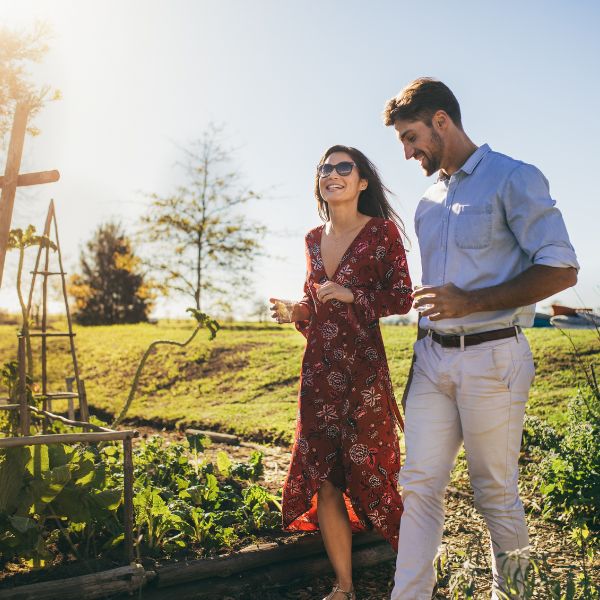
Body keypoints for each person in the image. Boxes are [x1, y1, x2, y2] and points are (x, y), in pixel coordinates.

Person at [383, 78, 579, 599]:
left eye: (411, 137)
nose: (407, 152)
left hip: (494, 357)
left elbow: (561, 269)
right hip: (431, 361)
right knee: (419, 485)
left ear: (441, 120)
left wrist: (470, 302)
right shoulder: (427, 202)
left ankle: (512, 596)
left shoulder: (513, 178)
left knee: (495, 492)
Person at [270, 145, 412, 600]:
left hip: (364, 375)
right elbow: (314, 302)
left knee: (372, 471)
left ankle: (417, 569)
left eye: (343, 167)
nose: (332, 174)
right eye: (324, 168)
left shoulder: (382, 232)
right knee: (326, 477)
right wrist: (297, 310)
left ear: (362, 182)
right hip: (318, 375)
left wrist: (354, 297)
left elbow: (402, 297)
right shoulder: (313, 239)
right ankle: (345, 586)